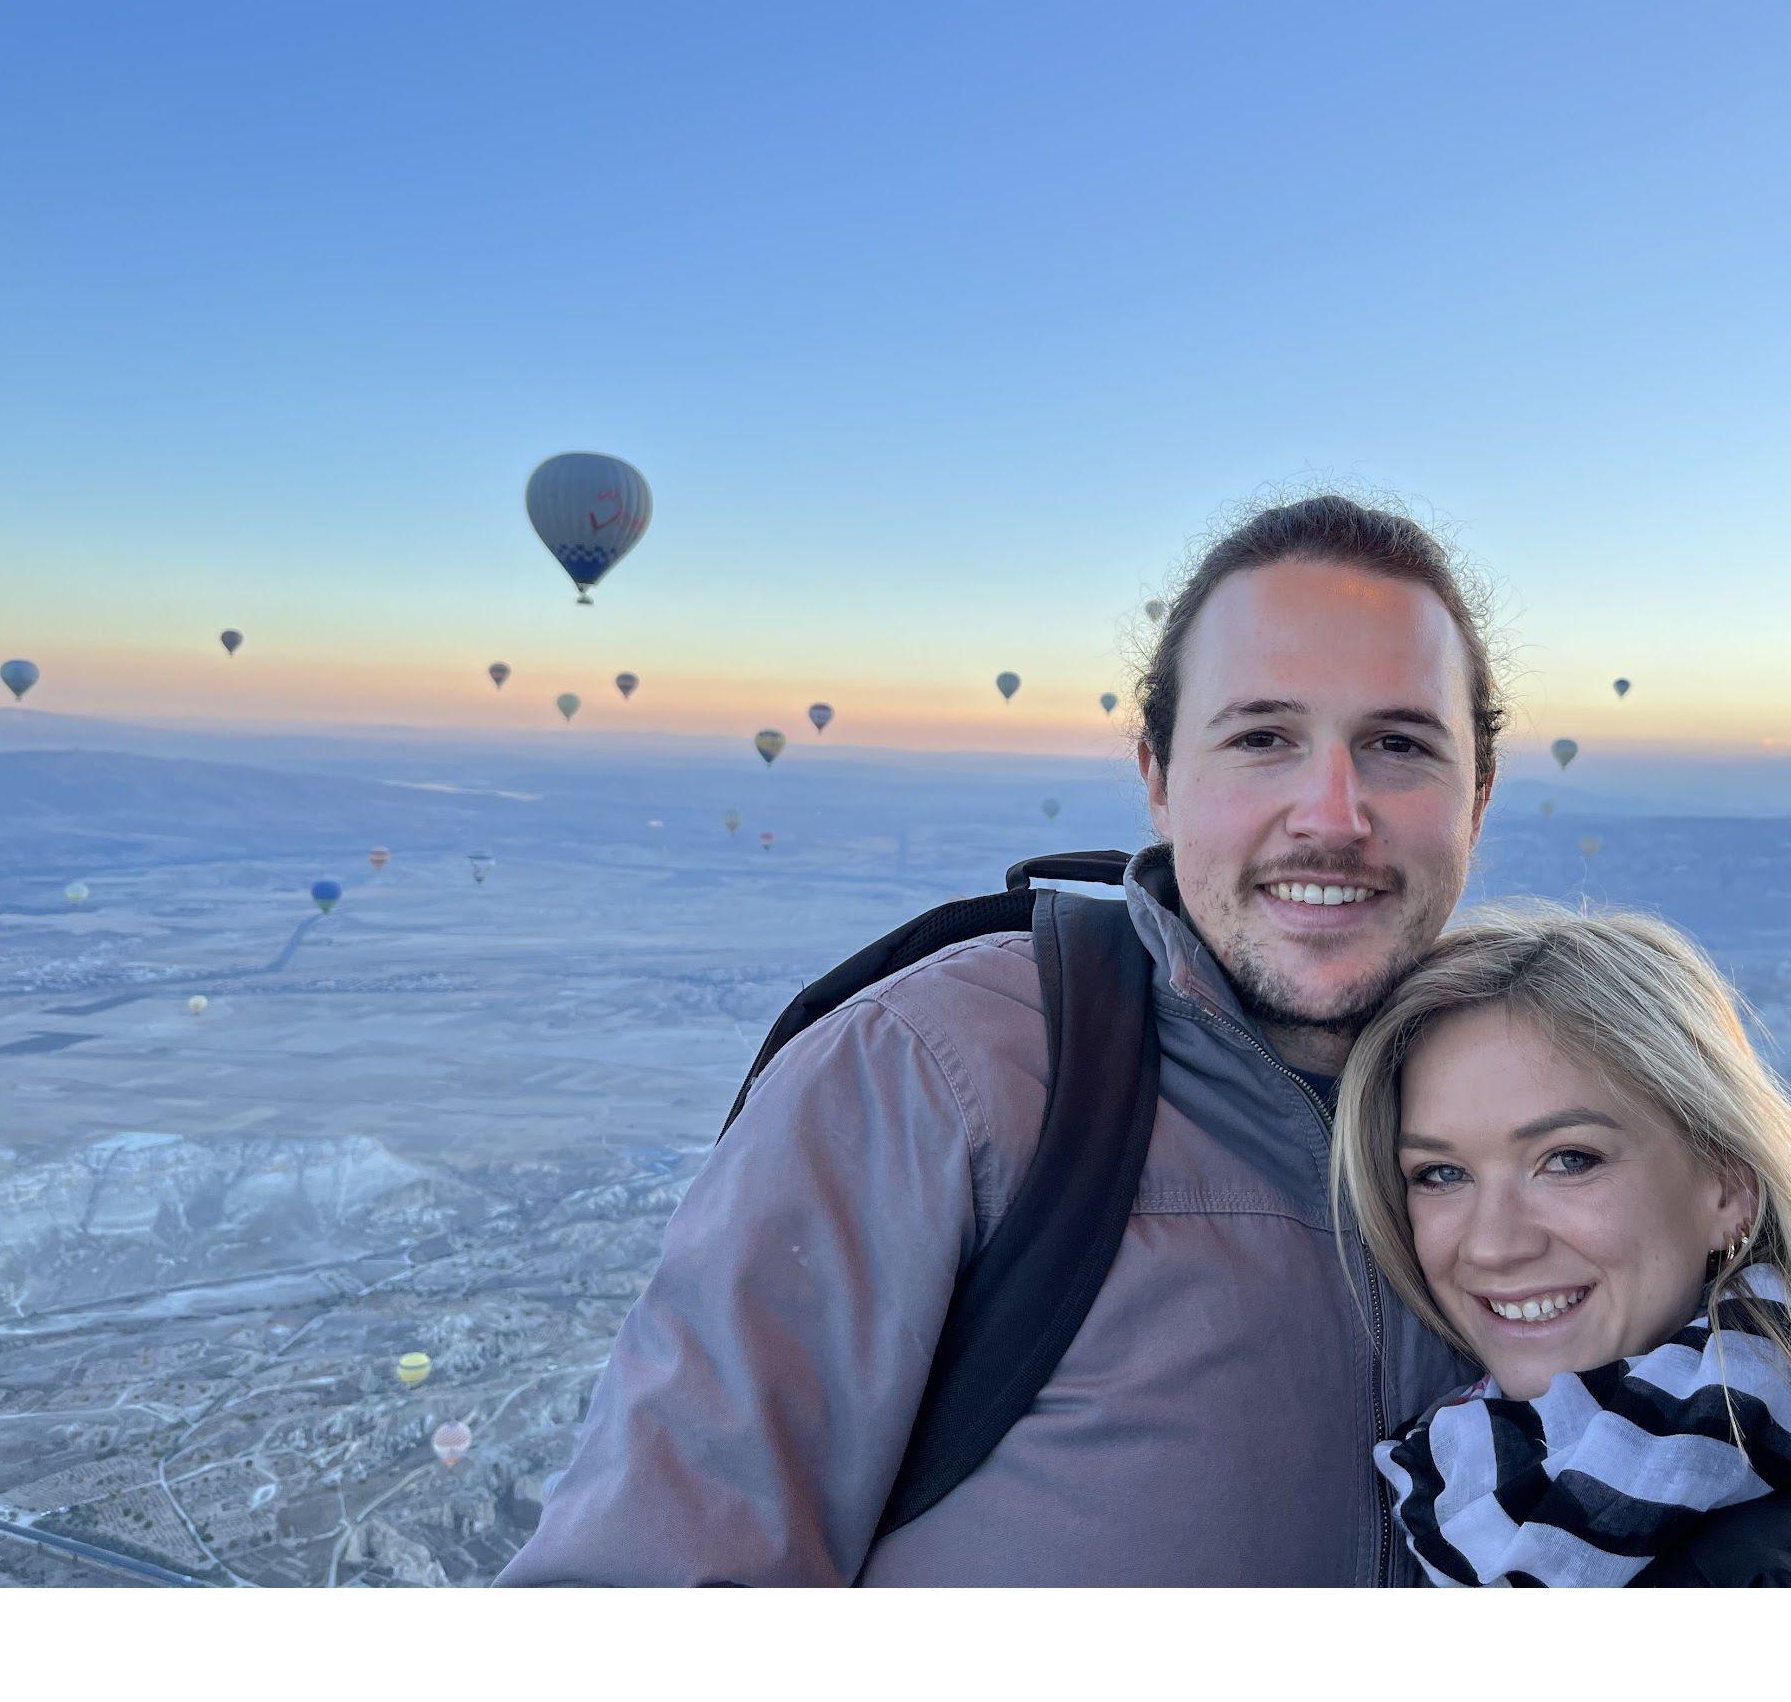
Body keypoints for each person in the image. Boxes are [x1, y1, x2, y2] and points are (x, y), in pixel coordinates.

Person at [498, 494, 1503, 1584]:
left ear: (1477, 799)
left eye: (1397, 744)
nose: (1332, 812)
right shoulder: (931, 1071)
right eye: (1262, 737)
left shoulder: (1570, 1112)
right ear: (1157, 777)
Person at [1330, 901, 1791, 1586]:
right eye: (1441, 1174)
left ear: (1727, 1187)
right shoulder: (1462, 1487)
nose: (1493, 1246)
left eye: (1569, 1160)